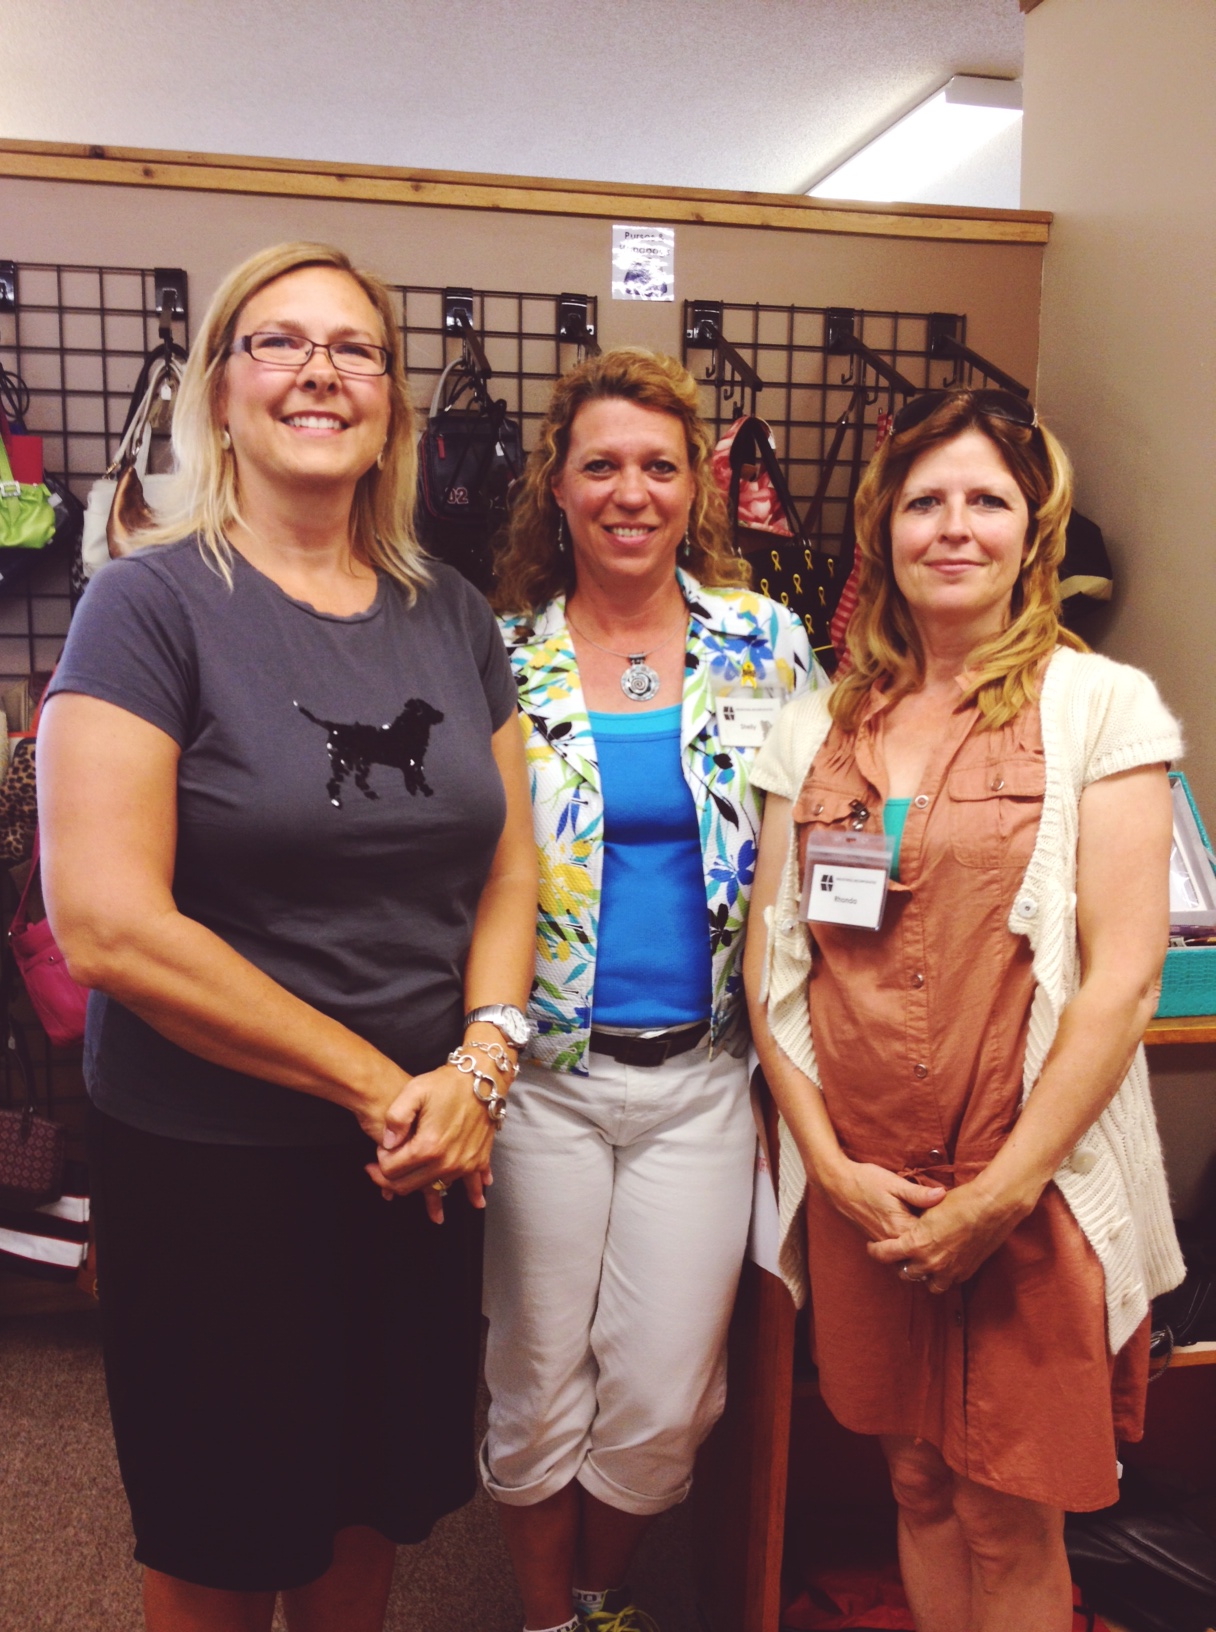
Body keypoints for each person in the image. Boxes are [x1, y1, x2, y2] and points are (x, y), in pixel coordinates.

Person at [37, 241, 537, 1632]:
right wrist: (385, 1086)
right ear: (221, 389)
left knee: (367, 1503)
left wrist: (483, 1064)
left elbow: (510, 868)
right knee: (222, 1525)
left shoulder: (453, 614)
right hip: (217, 1159)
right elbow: (108, 924)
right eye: (278, 342)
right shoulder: (147, 604)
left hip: (421, 1153)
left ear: (393, 401)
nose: (320, 372)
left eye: (354, 348)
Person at [744, 387, 1184, 1632]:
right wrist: (830, 1169)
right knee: (917, 1483)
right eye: (924, 501)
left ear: (1031, 531)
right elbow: (774, 974)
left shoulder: (1101, 708)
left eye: (986, 500)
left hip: (1029, 1195)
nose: (952, 527)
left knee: (1006, 1513)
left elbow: (1123, 980)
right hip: (869, 1199)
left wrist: (998, 1198)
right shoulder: (814, 726)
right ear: (881, 528)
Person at [484, 347, 824, 1632]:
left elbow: (827, 830)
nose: (631, 492)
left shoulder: (762, 642)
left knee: (669, 1394)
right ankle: (546, 1623)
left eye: (659, 467)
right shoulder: (498, 656)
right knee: (535, 1375)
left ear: (696, 488)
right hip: (539, 1083)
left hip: (703, 1081)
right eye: (601, 466)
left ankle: (602, 1598)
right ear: (557, 488)